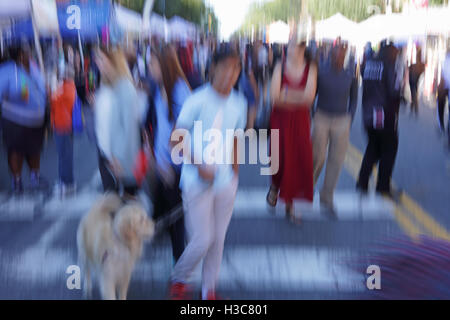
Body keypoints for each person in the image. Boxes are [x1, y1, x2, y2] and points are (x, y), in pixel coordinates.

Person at [168, 46, 247, 300]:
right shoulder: (197, 100)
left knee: (218, 240)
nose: (230, 73)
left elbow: (236, 137)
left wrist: (235, 172)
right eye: (224, 67)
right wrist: (199, 166)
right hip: (195, 181)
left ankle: (208, 290)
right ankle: (179, 277)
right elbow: (175, 140)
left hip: (226, 183)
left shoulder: (239, 102)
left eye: (235, 68)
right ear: (212, 67)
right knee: (202, 239)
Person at [146, 45, 191, 264]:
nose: (149, 67)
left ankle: (180, 262)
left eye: (152, 63)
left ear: (163, 65)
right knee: (165, 206)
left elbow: (183, 130)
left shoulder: (179, 89)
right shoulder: (160, 87)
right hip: (163, 161)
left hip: (176, 165)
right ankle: (157, 231)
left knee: (176, 217)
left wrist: (168, 165)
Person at [266, 35, 318, 222]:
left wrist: (286, 94)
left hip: (300, 122)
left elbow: (308, 99)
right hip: (280, 120)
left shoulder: (310, 67)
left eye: (293, 45)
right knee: (279, 159)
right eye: (288, 44)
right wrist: (295, 96)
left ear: (302, 48)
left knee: (296, 161)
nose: (289, 48)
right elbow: (274, 97)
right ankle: (274, 186)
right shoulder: (280, 66)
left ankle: (290, 205)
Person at [312, 42, 358, 217]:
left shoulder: (350, 73)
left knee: (336, 160)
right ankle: (309, 185)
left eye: (342, 54)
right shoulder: (321, 71)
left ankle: (327, 195)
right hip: (321, 116)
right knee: (318, 156)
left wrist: (350, 116)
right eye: (337, 53)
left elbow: (354, 97)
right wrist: (312, 114)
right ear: (331, 54)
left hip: (341, 120)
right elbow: (312, 92)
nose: (339, 56)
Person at [94, 47, 142, 197]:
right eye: (97, 58)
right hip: (107, 156)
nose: (97, 62)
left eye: (101, 58)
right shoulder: (107, 86)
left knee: (125, 209)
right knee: (112, 205)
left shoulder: (125, 87)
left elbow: (129, 129)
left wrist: (119, 159)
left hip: (121, 160)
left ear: (113, 61)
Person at [0, 44, 48, 194]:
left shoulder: (33, 67)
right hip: (15, 120)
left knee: (34, 150)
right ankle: (17, 180)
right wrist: (12, 96)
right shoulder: (7, 70)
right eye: (27, 51)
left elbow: (41, 87)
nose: (29, 53)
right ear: (20, 54)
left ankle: (35, 177)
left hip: (36, 120)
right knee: (16, 150)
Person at [356, 43, 402, 198]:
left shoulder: (369, 63)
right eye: (396, 54)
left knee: (373, 147)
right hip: (384, 113)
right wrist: (401, 97)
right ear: (391, 54)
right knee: (389, 148)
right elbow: (393, 90)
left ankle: (362, 182)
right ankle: (383, 186)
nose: (397, 57)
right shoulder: (388, 65)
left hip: (368, 113)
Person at [50, 66, 77, 196]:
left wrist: (53, 83)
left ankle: (66, 183)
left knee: (64, 156)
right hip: (64, 125)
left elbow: (53, 99)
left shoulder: (67, 87)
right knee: (65, 155)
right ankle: (66, 181)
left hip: (62, 125)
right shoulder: (69, 87)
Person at [409, 47, 425, 116]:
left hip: (412, 79)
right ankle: (414, 108)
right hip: (415, 80)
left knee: (413, 94)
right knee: (414, 93)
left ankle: (414, 108)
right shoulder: (421, 64)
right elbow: (422, 72)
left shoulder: (415, 64)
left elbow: (410, 70)